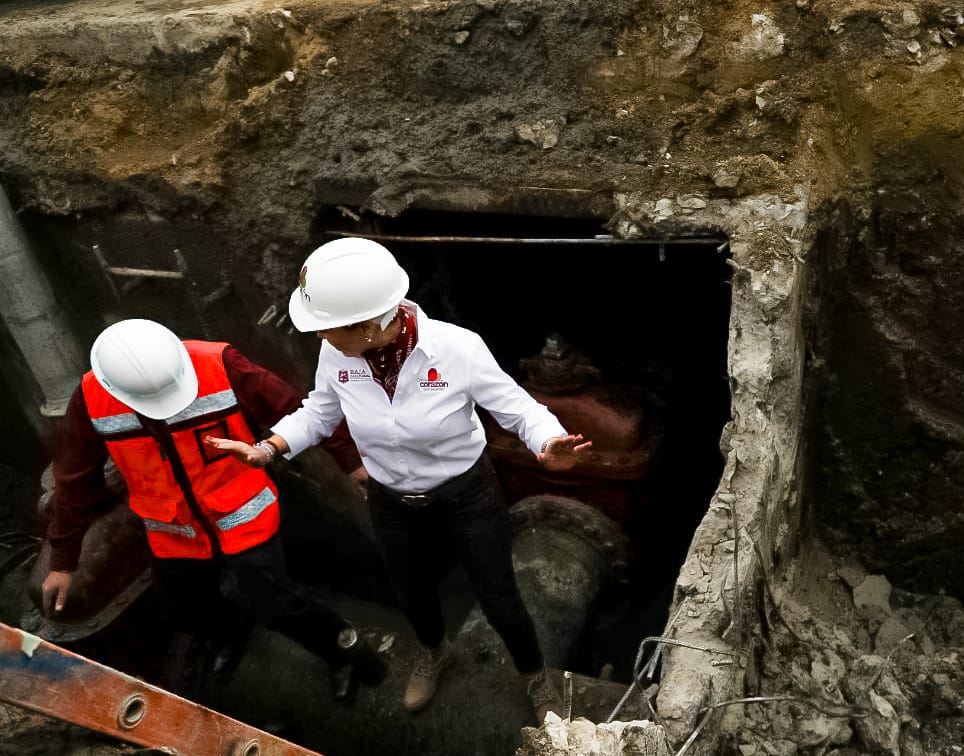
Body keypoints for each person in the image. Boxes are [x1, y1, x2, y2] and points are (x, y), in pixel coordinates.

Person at [206, 237, 592, 723]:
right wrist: (269, 447)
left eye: (327, 328)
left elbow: (519, 410)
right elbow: (318, 414)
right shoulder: (338, 356)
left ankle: (536, 676)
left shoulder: (456, 349)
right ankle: (433, 649)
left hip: (466, 496)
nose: (320, 338)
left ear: (368, 325)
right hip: (391, 499)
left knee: (500, 599)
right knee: (411, 591)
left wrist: (548, 441)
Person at [42, 318, 381, 702]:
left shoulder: (222, 366)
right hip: (174, 530)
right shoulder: (91, 400)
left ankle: (340, 649)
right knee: (183, 610)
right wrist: (64, 560)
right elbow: (74, 478)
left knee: (278, 605)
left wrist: (352, 461)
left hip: (243, 515)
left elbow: (297, 411)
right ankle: (231, 631)